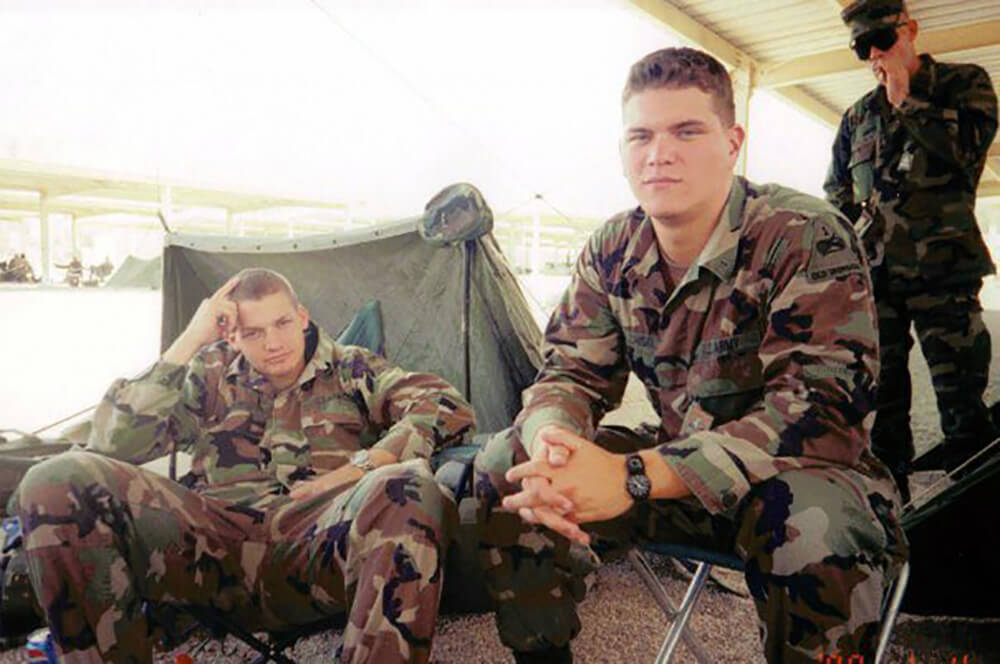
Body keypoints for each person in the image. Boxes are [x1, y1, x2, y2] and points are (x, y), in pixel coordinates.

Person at [473, 47, 907, 664]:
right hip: (675, 481)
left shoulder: (802, 234)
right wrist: (553, 443)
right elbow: (569, 371)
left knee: (810, 526)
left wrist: (634, 475)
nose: (659, 153)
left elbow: (819, 413)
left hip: (801, 481)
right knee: (507, 464)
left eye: (687, 131)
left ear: (733, 143)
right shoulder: (613, 248)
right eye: (641, 135)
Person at [14, 268, 475, 664]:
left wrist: (361, 466)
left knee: (406, 484)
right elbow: (112, 443)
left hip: (316, 544)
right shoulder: (209, 372)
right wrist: (190, 338)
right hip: (213, 547)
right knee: (55, 479)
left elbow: (445, 405)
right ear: (231, 333)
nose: (273, 343)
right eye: (253, 332)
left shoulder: (352, 369)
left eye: (282, 323)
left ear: (302, 316)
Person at [823, 0, 999, 502]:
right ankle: (889, 519)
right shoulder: (857, 117)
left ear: (911, 30)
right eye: (864, 46)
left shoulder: (964, 84)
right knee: (883, 407)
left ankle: (978, 522)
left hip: (945, 275)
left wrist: (906, 98)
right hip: (878, 283)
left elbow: (967, 153)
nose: (876, 53)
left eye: (884, 39)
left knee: (963, 407)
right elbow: (836, 190)